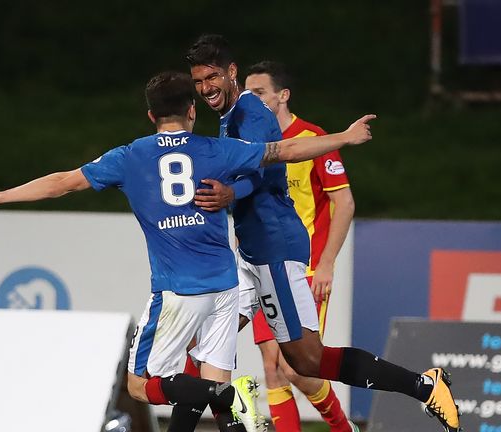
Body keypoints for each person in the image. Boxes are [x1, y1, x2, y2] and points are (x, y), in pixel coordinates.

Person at [0, 71, 376, 432]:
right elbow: (283, 151)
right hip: (227, 288)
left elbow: (62, 182)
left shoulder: (131, 156)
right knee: (209, 376)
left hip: (178, 290)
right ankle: (227, 397)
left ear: (151, 116)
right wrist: (346, 137)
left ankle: (229, 397)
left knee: (141, 385)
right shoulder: (213, 149)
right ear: (192, 111)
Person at [182, 34, 461, 432]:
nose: (206, 88)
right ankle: (238, 413)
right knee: (202, 342)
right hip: (250, 252)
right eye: (198, 82)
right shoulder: (231, 116)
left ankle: (423, 386)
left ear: (231, 73)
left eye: (212, 77)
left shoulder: (252, 113)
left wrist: (230, 192)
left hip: (272, 248)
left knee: (306, 362)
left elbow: (269, 170)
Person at [244, 60, 356, 432]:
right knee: (271, 366)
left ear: (283, 95)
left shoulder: (312, 139)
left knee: (296, 366)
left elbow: (345, 202)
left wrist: (326, 264)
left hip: (305, 269)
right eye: (247, 93)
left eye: (259, 92)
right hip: (265, 267)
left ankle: (342, 427)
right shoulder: (253, 143)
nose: (251, 99)